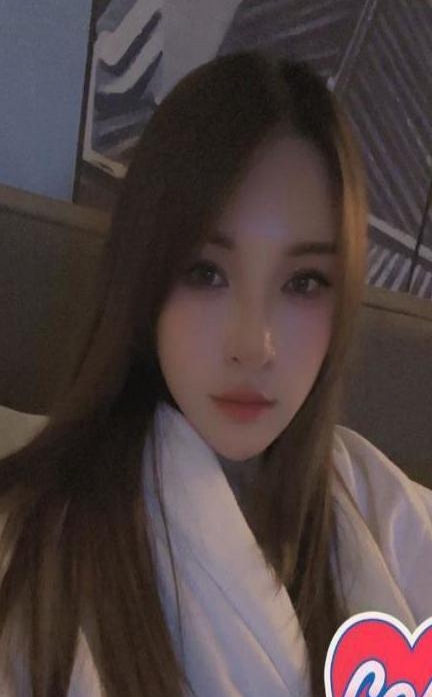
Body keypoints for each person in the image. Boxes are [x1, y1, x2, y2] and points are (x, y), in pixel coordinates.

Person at [0, 49, 431, 697]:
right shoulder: (35, 562)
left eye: (304, 282)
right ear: (145, 276)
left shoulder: (380, 506)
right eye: (205, 273)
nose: (254, 345)